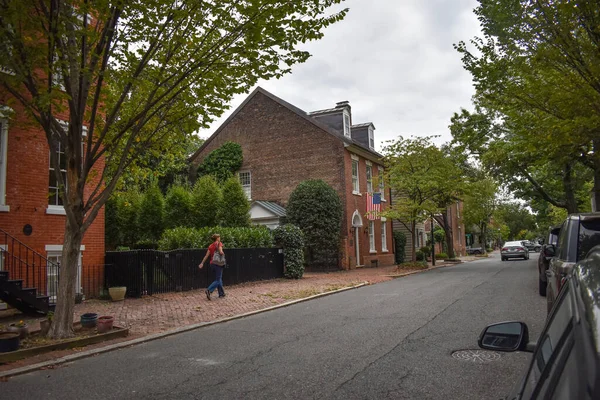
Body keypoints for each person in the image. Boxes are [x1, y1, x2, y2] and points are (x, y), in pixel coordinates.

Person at [199, 234, 226, 300]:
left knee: (219, 278)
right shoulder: (219, 244)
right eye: (219, 237)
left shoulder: (210, 246)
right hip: (218, 263)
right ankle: (209, 290)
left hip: (212, 264)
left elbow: (206, 255)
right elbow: (221, 252)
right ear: (217, 238)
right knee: (217, 279)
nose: (220, 238)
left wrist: (202, 263)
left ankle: (221, 293)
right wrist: (222, 252)